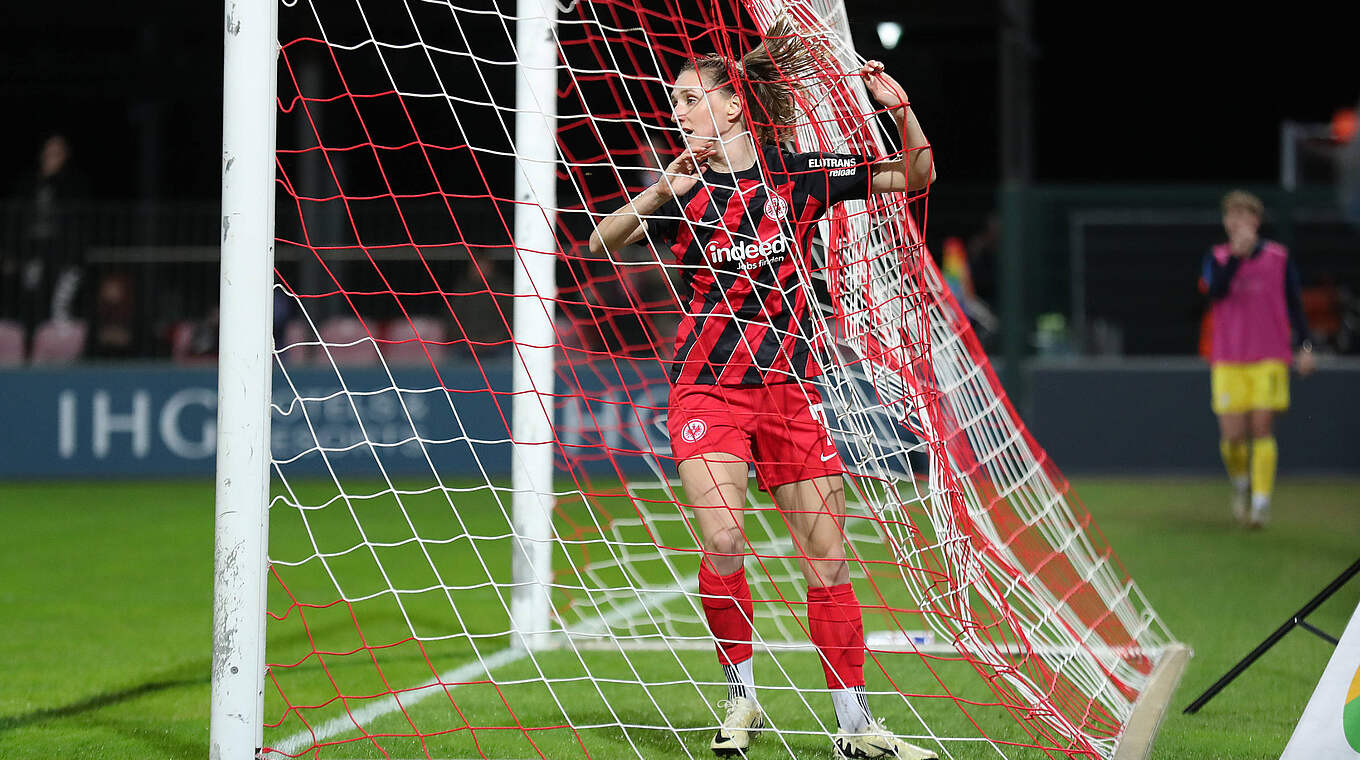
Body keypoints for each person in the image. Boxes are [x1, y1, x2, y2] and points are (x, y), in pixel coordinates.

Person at [588, 17, 936, 760]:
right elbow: (599, 242)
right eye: (675, 101)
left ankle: (853, 728)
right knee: (722, 536)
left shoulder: (799, 174)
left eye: (687, 98)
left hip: (790, 388)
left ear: (732, 103)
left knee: (830, 560)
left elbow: (916, 176)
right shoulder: (685, 187)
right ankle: (741, 698)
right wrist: (662, 188)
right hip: (708, 388)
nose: (676, 111)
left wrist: (896, 108)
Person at [1202, 190, 1315, 528]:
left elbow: (1296, 305)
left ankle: (1261, 503)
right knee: (1233, 438)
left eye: (1243, 216)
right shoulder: (1217, 257)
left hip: (1269, 356)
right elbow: (1215, 292)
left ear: (1255, 221)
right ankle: (1241, 484)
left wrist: (1305, 348)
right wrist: (1237, 257)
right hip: (1228, 357)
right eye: (1230, 217)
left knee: (1263, 428)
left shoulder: (1279, 258)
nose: (1236, 223)